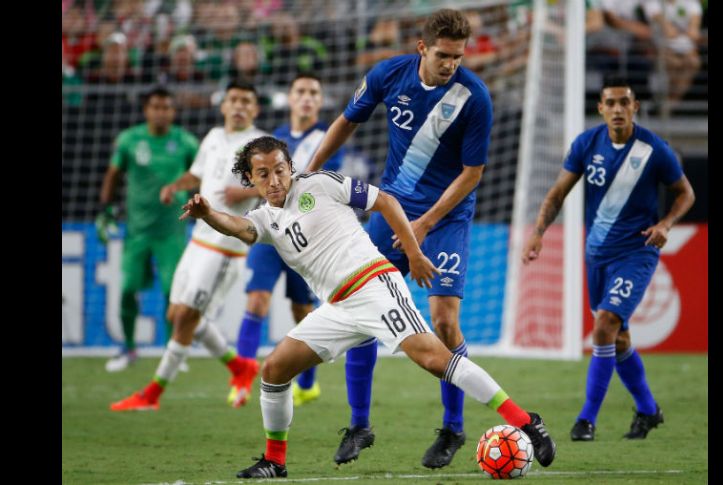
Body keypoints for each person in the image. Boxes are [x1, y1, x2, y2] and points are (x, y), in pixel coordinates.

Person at [179, 135, 556, 478]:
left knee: (433, 359)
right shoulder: (265, 219)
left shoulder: (320, 183)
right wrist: (208, 213)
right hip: (337, 308)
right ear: (250, 179)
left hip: (374, 286)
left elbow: (386, 202)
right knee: (275, 369)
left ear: (290, 167)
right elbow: (237, 226)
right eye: (263, 174)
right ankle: (275, 461)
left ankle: (526, 422)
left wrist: (414, 253)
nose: (275, 180)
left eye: (280, 169)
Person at [306, 8, 491, 468]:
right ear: (422, 48)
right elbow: (346, 121)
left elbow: (472, 174)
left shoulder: (474, 97)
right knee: (361, 312)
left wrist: (425, 223)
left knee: (444, 322)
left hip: (445, 219)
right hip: (390, 212)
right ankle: (359, 426)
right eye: (443, 55)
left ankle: (453, 428)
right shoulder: (388, 74)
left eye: (458, 56)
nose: (451, 64)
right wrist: (309, 171)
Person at [521, 76, 695, 441]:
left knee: (604, 325)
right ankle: (648, 410)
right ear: (600, 108)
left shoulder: (653, 148)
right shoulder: (587, 144)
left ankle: (586, 420)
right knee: (618, 340)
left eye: (624, 102)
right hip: (596, 254)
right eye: (610, 103)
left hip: (636, 252)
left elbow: (685, 193)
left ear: (635, 107)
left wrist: (665, 224)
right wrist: (537, 233)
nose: (617, 109)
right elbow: (557, 194)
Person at [109, 80, 268, 412]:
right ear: (223, 106)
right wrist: (174, 186)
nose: (239, 106)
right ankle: (240, 366)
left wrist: (246, 191)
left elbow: (278, 185)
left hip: (226, 246)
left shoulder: (260, 145)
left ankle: (152, 394)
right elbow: (197, 175)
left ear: (255, 109)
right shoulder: (213, 137)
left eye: (246, 101)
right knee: (176, 313)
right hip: (198, 240)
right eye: (234, 100)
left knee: (185, 318)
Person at [233, 73, 344, 408]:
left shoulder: (329, 139)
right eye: (300, 91)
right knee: (256, 301)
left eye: (313, 92)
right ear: (291, 98)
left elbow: (312, 186)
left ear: (320, 101)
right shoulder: (273, 140)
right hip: (271, 231)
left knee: (303, 311)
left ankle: (307, 384)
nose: (306, 97)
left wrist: (250, 190)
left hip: (305, 238)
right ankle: (241, 382)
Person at [98, 86, 199, 372]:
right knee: (127, 289)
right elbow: (113, 174)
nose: (161, 112)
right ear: (146, 110)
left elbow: (198, 176)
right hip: (137, 232)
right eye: (155, 107)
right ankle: (128, 348)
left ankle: (171, 352)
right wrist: (105, 210)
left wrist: (197, 203)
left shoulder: (186, 142)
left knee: (172, 292)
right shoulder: (129, 140)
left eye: (166, 107)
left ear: (173, 111)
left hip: (172, 232)